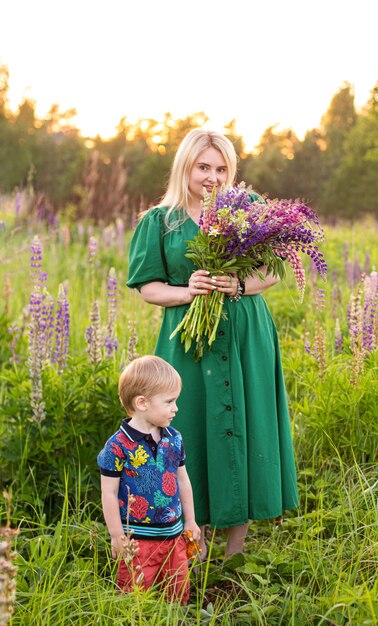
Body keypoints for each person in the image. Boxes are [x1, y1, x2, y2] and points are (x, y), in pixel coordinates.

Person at [127, 128, 299, 559]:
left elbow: (274, 271)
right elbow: (148, 287)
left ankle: (235, 552)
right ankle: (193, 543)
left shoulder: (251, 210)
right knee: (189, 431)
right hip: (188, 339)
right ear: (185, 166)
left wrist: (240, 283)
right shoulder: (160, 221)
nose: (213, 177)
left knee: (243, 424)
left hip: (244, 334)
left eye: (221, 168)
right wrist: (189, 291)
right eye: (204, 166)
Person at [97, 355, 200, 603]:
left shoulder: (173, 439)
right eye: (169, 401)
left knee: (177, 594)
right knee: (135, 598)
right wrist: (116, 535)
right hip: (137, 541)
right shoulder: (118, 446)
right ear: (142, 403)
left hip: (174, 536)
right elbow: (108, 493)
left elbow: (183, 481)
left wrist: (191, 521)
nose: (176, 408)